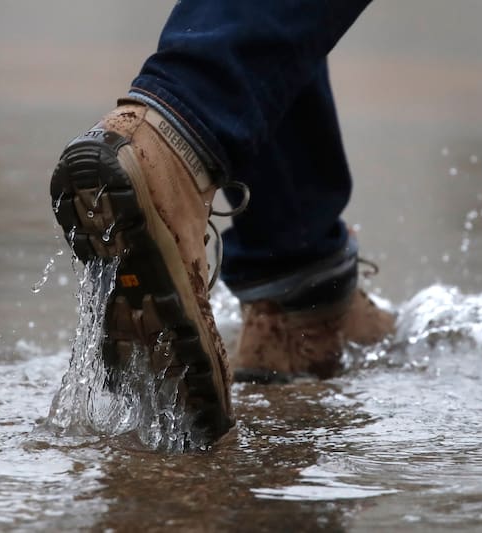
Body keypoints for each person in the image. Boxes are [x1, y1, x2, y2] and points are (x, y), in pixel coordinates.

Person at [50, 0, 394, 445]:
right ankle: (180, 129)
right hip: (188, 105)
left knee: (298, 273)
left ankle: (297, 282)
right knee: (186, 120)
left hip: (297, 252)